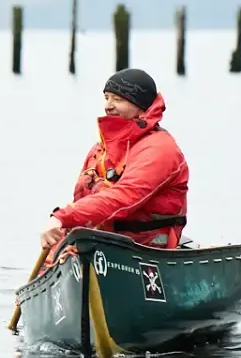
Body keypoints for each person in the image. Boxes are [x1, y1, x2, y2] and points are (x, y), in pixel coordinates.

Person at [39, 67, 188, 257]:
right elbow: (83, 204)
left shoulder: (160, 149)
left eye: (118, 99)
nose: (108, 106)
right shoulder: (100, 150)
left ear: (141, 107)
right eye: (107, 98)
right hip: (102, 246)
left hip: (147, 250)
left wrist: (63, 216)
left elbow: (124, 197)